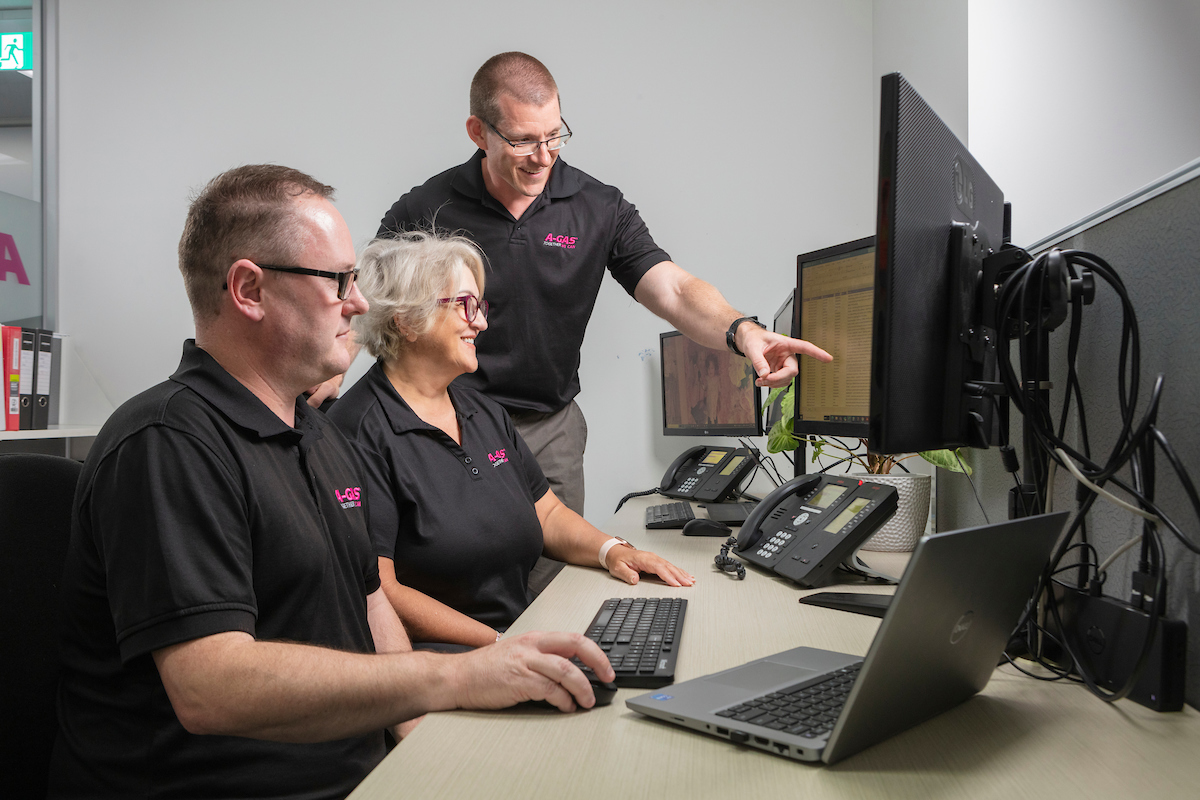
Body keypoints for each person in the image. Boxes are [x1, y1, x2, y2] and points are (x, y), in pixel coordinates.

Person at [48, 165, 615, 799]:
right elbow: (212, 687)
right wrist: (449, 679)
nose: (360, 302)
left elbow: (370, 601)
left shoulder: (317, 435)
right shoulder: (166, 444)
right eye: (338, 280)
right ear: (249, 290)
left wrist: (418, 727)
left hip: (356, 766)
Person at [363, 51, 832, 521]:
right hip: (444, 420)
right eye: (524, 142)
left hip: (549, 428)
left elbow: (672, 288)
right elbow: (366, 303)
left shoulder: (599, 206)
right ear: (478, 133)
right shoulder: (425, 210)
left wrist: (742, 330)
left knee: (553, 581)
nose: (543, 157)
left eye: (554, 136)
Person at [327, 231, 695, 647]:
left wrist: (611, 550)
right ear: (408, 320)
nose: (481, 321)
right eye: (465, 305)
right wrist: (501, 646)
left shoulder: (482, 411)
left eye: (480, 306)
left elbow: (548, 514)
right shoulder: (357, 432)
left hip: (513, 635)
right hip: (441, 661)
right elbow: (382, 592)